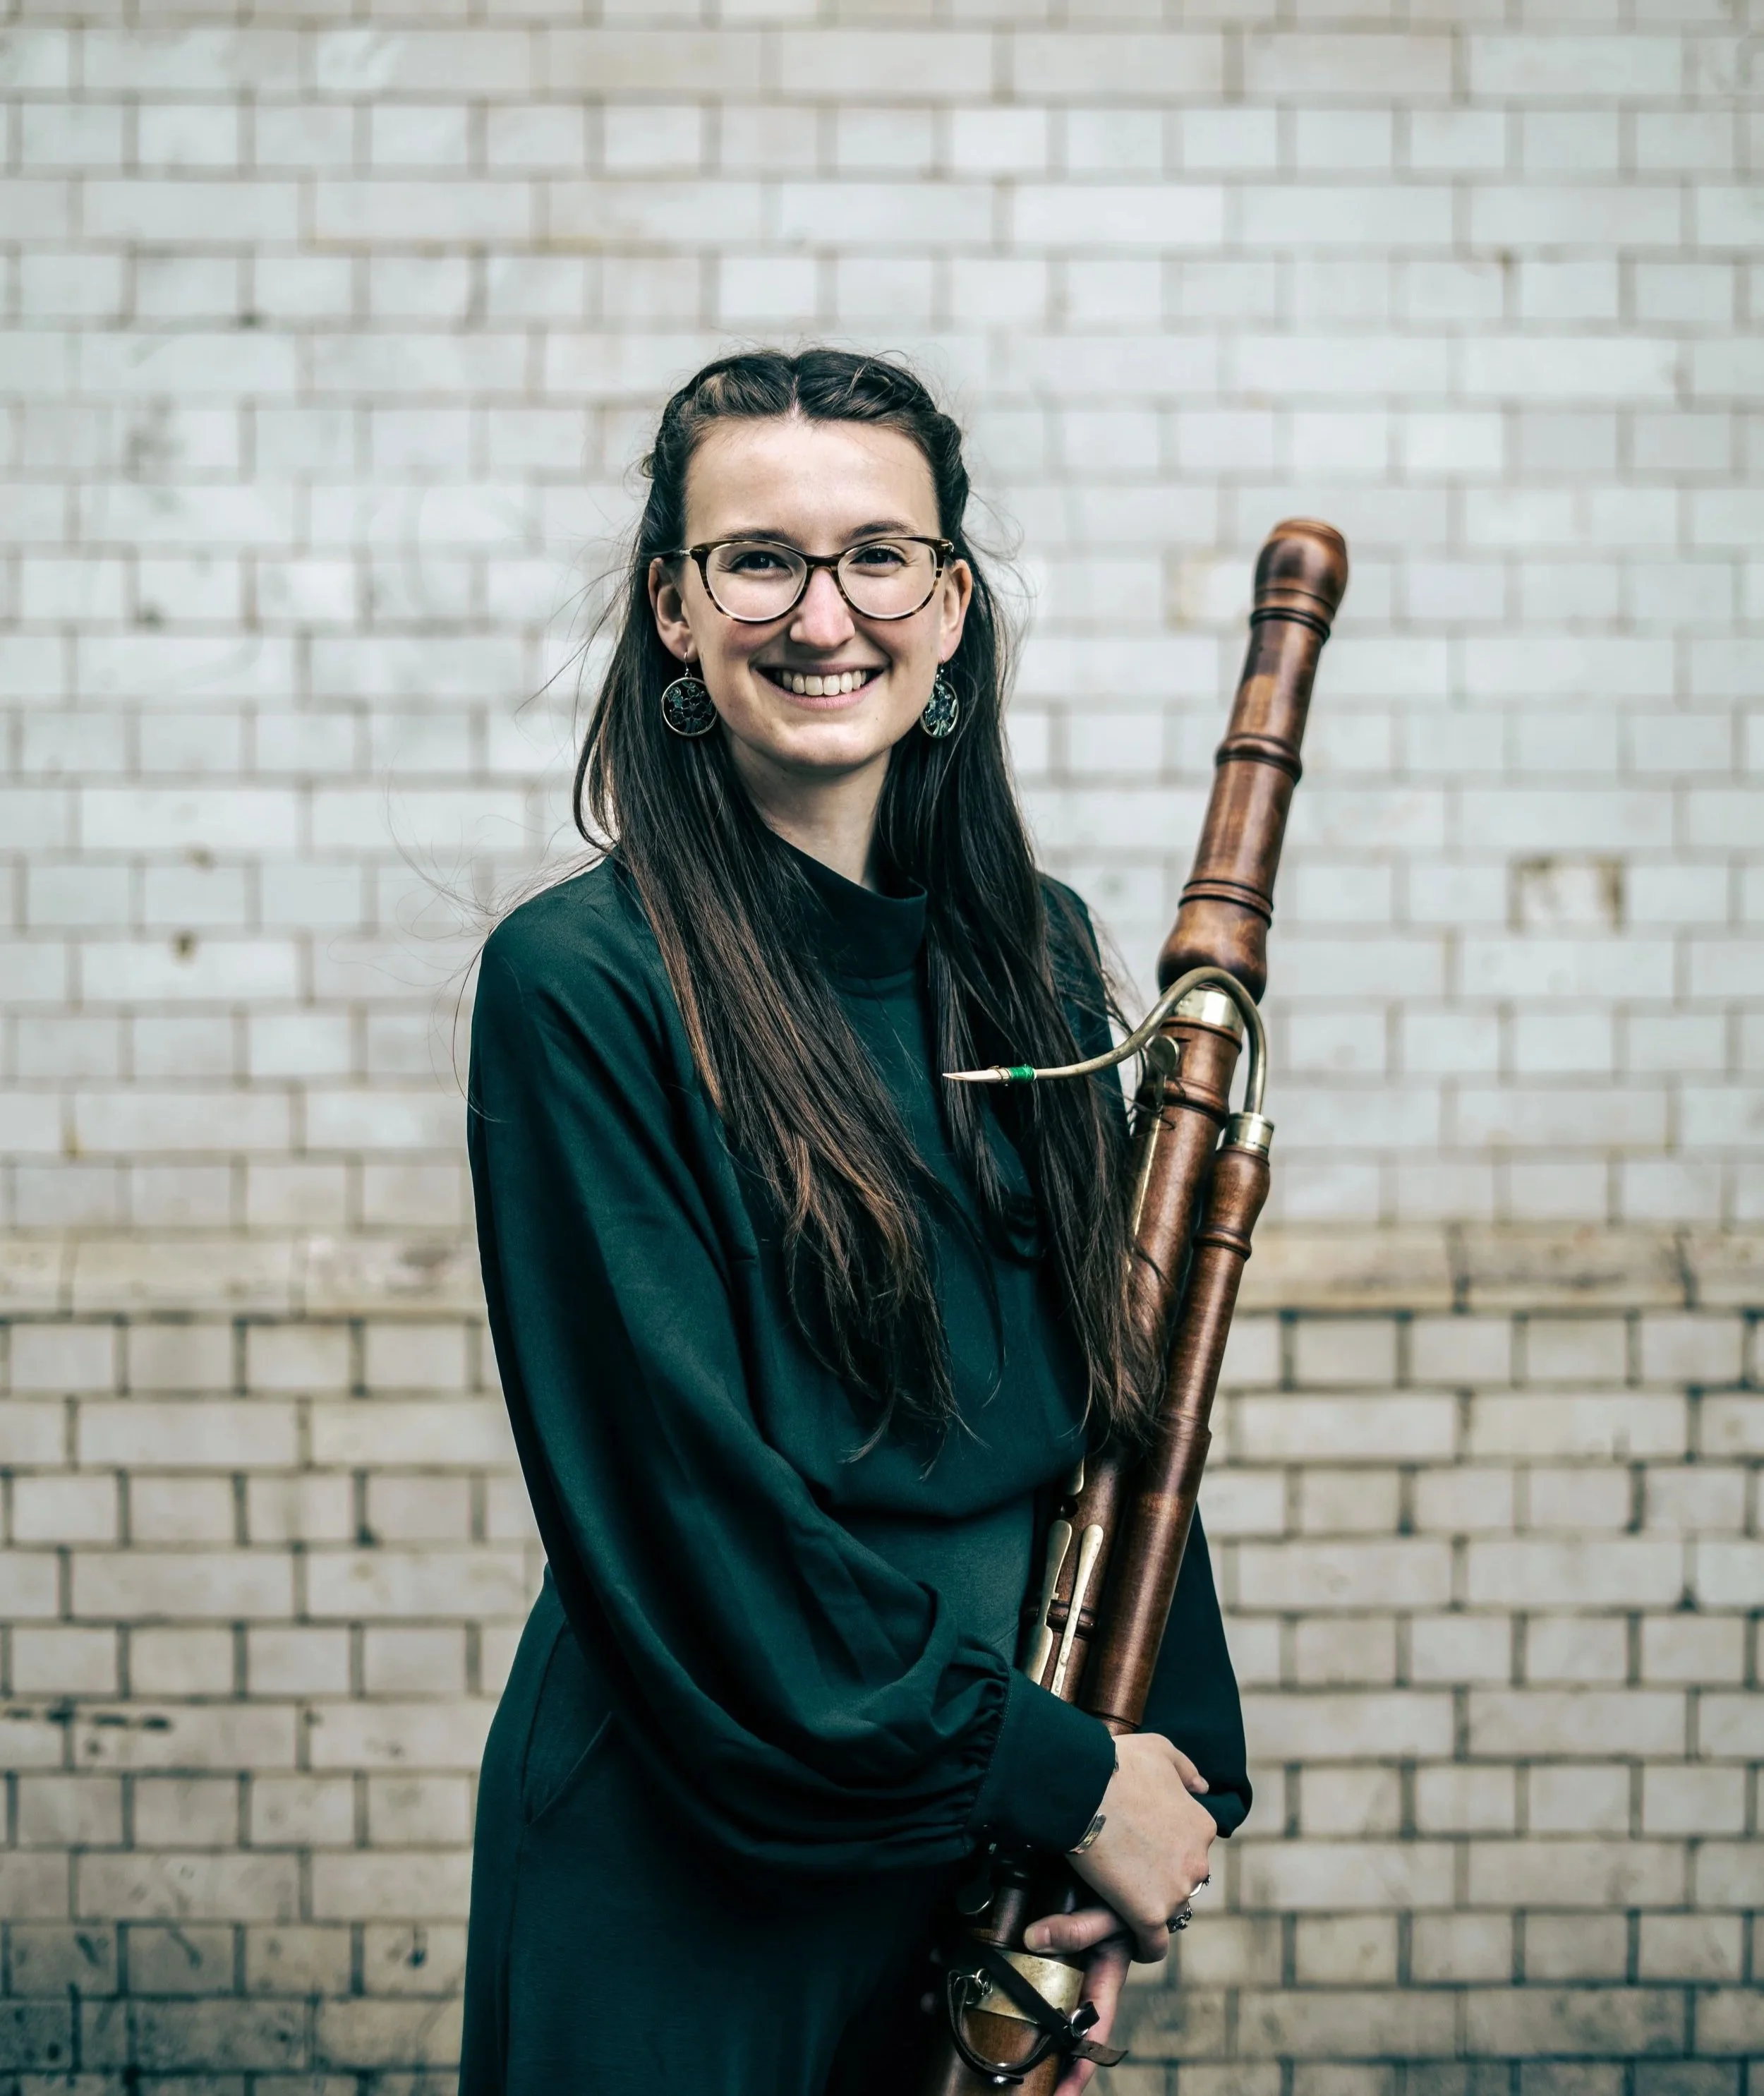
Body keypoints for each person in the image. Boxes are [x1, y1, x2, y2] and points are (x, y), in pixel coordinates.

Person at [459, 348, 1249, 2096]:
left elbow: (1121, 1417)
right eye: (758, 559)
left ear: (949, 605)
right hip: (689, 1844)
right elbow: (682, 1505)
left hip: (971, 1812)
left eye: (877, 555)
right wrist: (1054, 1777)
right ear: (673, 608)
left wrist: (1141, 1780)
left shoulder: (1029, 953)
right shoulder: (577, 986)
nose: (824, 615)